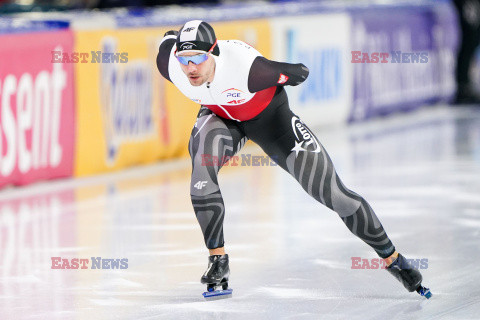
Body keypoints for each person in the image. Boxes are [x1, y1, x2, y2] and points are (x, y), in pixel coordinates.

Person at [156, 20, 431, 299]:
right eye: (184, 59)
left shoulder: (248, 70)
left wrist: (289, 73)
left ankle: (393, 258)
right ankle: (218, 260)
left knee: (334, 193)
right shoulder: (170, 66)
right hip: (221, 118)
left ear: (213, 52)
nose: (191, 68)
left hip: (273, 122)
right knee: (202, 173)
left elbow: (299, 73)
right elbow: (166, 43)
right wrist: (172, 39)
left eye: (198, 58)